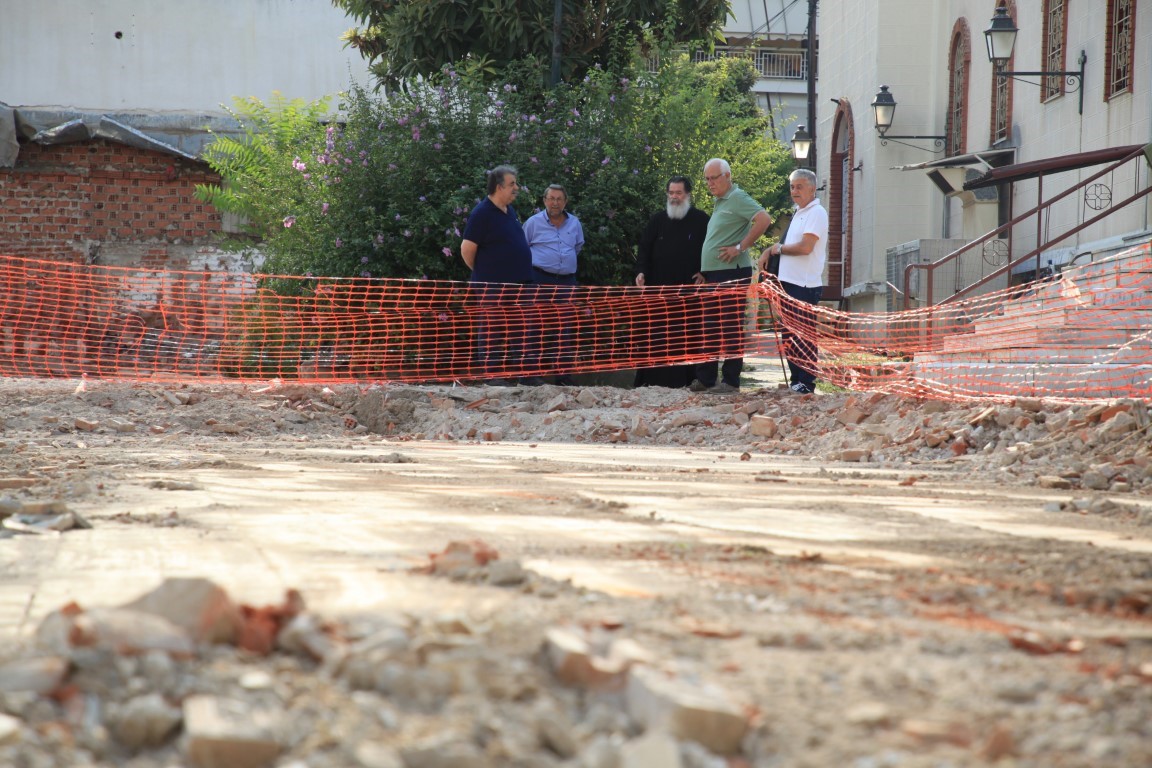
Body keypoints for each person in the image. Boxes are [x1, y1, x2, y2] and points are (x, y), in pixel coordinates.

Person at [690, 158, 773, 394]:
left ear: (728, 176)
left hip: (731, 272)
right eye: (707, 178)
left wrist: (740, 247)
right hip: (714, 274)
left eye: (714, 177)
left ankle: (731, 381)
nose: (710, 183)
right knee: (709, 326)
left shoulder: (737, 197)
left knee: (729, 326)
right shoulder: (720, 201)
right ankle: (706, 379)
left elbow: (764, 219)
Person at [460, 165, 538, 385]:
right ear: (498, 186)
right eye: (512, 184)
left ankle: (527, 376)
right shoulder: (482, 213)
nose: (517, 188)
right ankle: (493, 377)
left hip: (521, 284)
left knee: (522, 330)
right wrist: (485, 273)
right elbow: (467, 249)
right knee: (493, 330)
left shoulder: (509, 211)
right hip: (493, 286)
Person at [634, 175, 710, 388]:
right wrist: (641, 272)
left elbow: (711, 249)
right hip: (658, 290)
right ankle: (652, 380)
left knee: (687, 335)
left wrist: (705, 273)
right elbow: (644, 248)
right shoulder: (657, 220)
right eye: (671, 193)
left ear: (688, 194)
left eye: (679, 193)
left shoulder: (701, 219)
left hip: (688, 292)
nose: (674, 197)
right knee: (656, 336)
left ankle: (689, 380)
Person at [758, 168, 827, 395]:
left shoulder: (816, 213)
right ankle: (795, 379)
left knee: (804, 335)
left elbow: (806, 247)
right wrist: (770, 250)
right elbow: (784, 248)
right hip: (787, 284)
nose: (794, 191)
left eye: (799, 186)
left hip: (804, 285)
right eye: (792, 186)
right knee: (789, 333)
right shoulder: (798, 212)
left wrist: (778, 248)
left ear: (812, 188)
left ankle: (806, 382)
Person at [523, 184, 584, 384]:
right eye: (551, 198)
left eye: (559, 199)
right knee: (533, 326)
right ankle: (530, 375)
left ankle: (563, 377)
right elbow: (523, 249)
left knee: (563, 328)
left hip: (566, 283)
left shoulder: (574, 223)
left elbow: (577, 247)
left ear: (565, 202)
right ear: (544, 200)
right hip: (539, 279)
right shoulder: (532, 223)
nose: (555, 203)